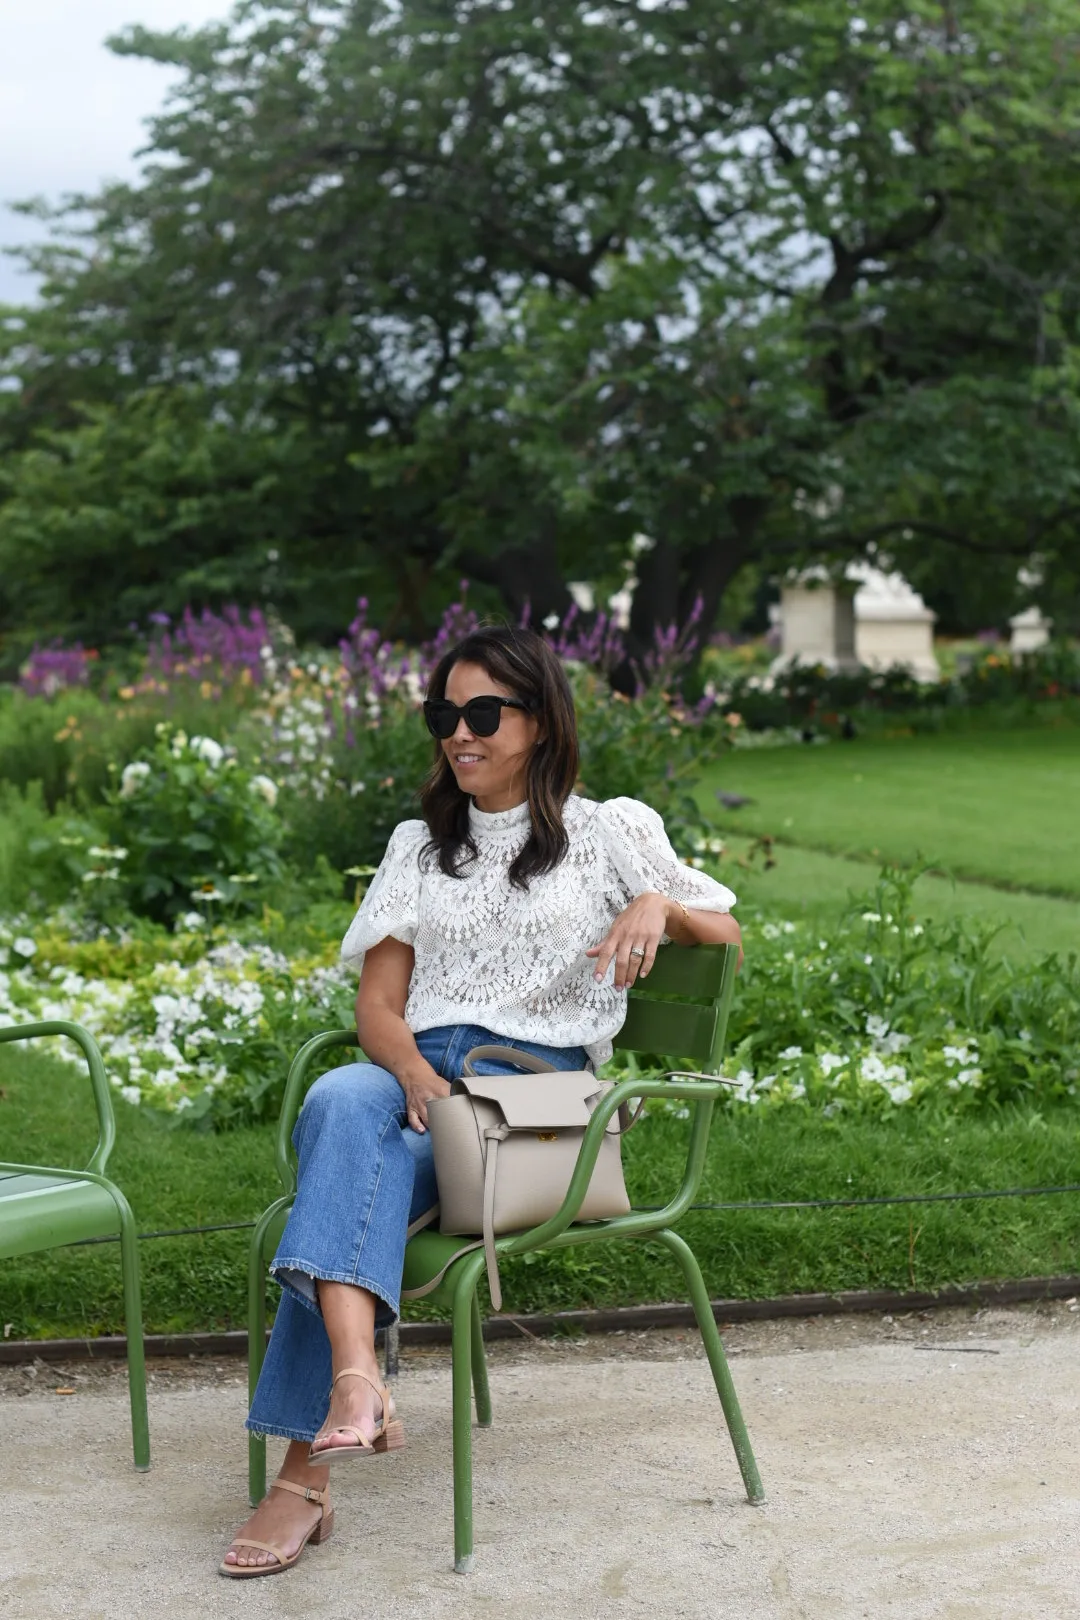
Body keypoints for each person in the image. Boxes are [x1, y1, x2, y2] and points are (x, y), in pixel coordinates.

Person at [221, 624, 741, 1576]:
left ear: (539, 724)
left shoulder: (607, 831)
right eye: (444, 715)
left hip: (527, 1107)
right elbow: (377, 1009)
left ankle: (305, 1477)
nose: (460, 733)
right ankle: (355, 1385)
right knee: (344, 1102)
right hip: (418, 1086)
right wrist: (416, 1075)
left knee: (342, 1176)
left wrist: (659, 907)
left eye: (484, 714)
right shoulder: (420, 847)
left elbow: (730, 929)